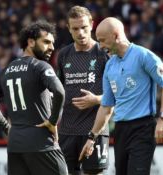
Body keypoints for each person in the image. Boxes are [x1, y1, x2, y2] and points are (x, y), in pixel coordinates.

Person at [79, 17, 163, 175]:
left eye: (102, 40)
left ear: (116, 35)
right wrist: (92, 137)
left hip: (143, 128)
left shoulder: (143, 55)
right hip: (121, 130)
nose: (101, 46)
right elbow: (106, 106)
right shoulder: (110, 65)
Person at [0, 21, 68, 175]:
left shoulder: (6, 70)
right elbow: (60, 91)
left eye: (53, 43)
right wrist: (53, 122)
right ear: (31, 42)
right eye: (46, 42)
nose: (52, 48)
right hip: (41, 142)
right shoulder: (40, 66)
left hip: (15, 145)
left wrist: (6, 127)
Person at [56, 6, 109, 175]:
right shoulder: (64, 54)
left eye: (84, 27)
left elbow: (119, 93)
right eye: (75, 28)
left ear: (92, 25)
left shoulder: (103, 54)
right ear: (69, 28)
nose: (80, 33)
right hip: (67, 131)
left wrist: (97, 99)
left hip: (95, 130)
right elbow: (59, 91)